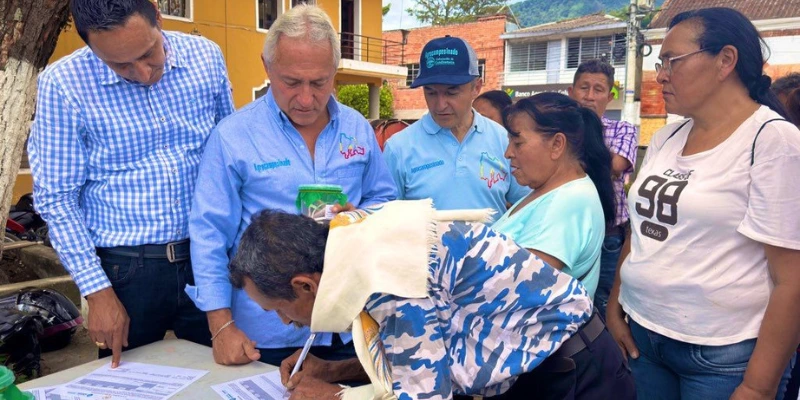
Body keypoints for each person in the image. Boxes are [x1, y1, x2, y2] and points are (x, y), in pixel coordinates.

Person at [27, 0, 235, 368]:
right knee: (129, 385)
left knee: (219, 375)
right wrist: (98, 293)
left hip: (206, 257)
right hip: (126, 273)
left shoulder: (206, 57)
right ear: (91, 47)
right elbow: (57, 198)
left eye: (148, 53)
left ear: (157, 15)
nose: (142, 73)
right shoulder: (64, 85)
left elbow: (229, 153)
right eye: (120, 65)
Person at [186, 4, 396, 367]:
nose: (305, 98)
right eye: (291, 82)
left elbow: (384, 198)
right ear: (267, 67)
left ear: (335, 70)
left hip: (351, 323)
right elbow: (209, 235)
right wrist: (221, 327)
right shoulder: (233, 137)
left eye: (319, 82)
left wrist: (361, 217)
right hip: (268, 328)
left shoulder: (357, 127)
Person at [606, 7, 800, 400]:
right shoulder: (666, 137)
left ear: (725, 60)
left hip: (722, 355)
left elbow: (792, 279)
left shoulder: (773, 142)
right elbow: (641, 231)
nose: (660, 74)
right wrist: (616, 304)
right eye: (659, 63)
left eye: (671, 61)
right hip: (645, 335)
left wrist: (757, 387)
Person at [229, 202, 594, 399]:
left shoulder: (388, 277)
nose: (285, 323)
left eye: (278, 309)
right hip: (544, 364)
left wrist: (334, 397)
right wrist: (331, 370)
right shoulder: (352, 240)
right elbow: (411, 357)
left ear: (305, 286)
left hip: (571, 373)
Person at [491, 92, 635, 398]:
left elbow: (513, 289)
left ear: (557, 144)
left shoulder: (567, 203)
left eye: (517, 142)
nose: (507, 153)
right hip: (541, 363)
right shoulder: (546, 191)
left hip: (560, 372)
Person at [383, 36, 529, 214]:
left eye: (451, 93)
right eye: (431, 93)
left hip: (492, 243)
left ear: (476, 87)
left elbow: (525, 206)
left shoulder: (503, 140)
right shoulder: (398, 148)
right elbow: (387, 219)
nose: (440, 105)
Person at [567, 59, 638, 318]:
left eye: (598, 90)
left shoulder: (623, 130)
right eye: (584, 88)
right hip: (566, 231)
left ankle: (604, 357)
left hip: (608, 237)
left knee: (604, 304)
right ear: (571, 92)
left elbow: (616, 165)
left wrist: (567, 157)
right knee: (566, 300)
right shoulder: (558, 129)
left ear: (609, 96)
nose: (589, 96)